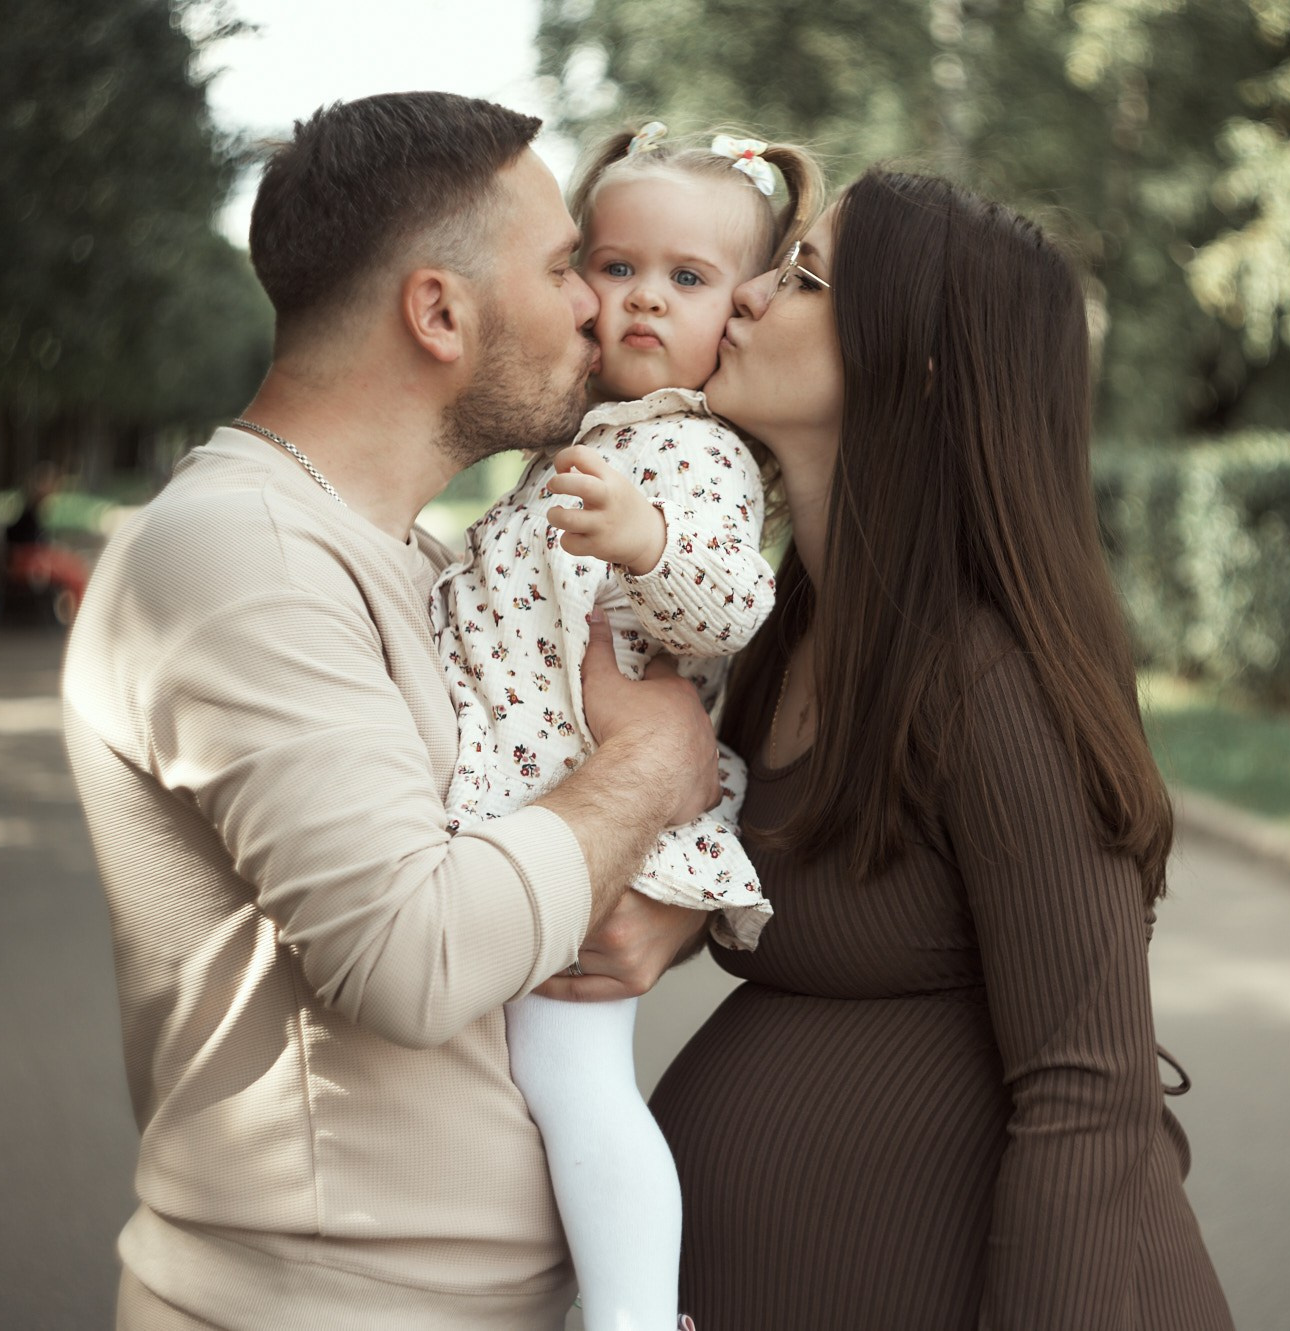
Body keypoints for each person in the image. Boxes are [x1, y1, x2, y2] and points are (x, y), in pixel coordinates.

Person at [61, 91, 716, 1331]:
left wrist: (654, 912)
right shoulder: (236, 554)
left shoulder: (407, 560)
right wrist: (647, 767)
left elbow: (529, 873)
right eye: (564, 265)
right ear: (437, 312)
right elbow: (410, 958)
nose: (597, 304)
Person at [647, 170, 1236, 1329]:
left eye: (803, 277)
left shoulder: (990, 684)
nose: (747, 293)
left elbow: (1087, 1087)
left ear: (910, 366)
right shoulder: (779, 632)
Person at [435, 120, 821, 1330]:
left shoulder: (695, 453)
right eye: (616, 265)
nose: (645, 296)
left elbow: (732, 602)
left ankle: (636, 1315)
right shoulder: (587, 435)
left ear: (737, 312)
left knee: (575, 1076)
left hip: (596, 819)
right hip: (534, 797)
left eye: (688, 277)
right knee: (524, 1079)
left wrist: (648, 543)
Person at [1, 461, 88, 619]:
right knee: (74, 572)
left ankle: (80, 614)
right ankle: (81, 617)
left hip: (34, 558)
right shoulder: (28, 513)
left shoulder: (33, 512)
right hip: (30, 560)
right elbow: (24, 543)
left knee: (76, 568)